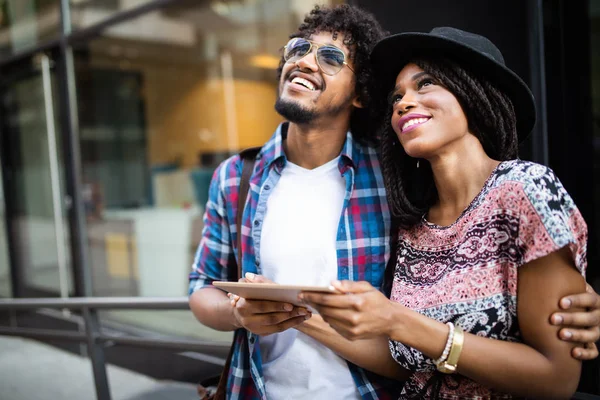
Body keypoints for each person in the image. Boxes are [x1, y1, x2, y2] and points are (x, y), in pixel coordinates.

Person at [189, 5, 600, 399]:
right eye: (298, 49)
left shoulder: (399, 186)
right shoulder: (237, 178)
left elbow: (545, 358)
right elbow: (201, 289)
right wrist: (253, 313)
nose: (306, 62)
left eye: (330, 57)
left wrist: (567, 298)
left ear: (359, 95)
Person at [300, 27, 595, 399]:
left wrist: (399, 320)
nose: (403, 103)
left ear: (472, 92)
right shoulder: (414, 227)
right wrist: (297, 316)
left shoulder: (525, 189)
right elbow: (407, 360)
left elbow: (556, 379)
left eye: (425, 84)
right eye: (397, 96)